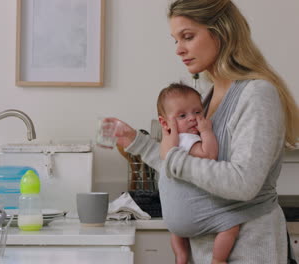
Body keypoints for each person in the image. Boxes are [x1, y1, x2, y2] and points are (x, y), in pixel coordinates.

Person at [105, 0, 299, 263]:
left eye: (188, 37)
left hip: (250, 251)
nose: (179, 49)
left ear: (222, 32)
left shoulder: (257, 94)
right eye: (175, 40)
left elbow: (243, 183)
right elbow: (185, 165)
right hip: (204, 253)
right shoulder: (206, 100)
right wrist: (136, 142)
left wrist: (173, 157)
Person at [156, 82, 239, 264]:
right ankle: (218, 259)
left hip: (175, 222)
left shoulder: (170, 141)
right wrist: (207, 131)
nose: (192, 118)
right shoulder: (188, 139)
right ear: (164, 122)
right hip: (193, 211)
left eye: (197, 112)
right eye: (182, 115)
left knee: (177, 233)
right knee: (231, 226)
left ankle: (181, 256)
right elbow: (209, 154)